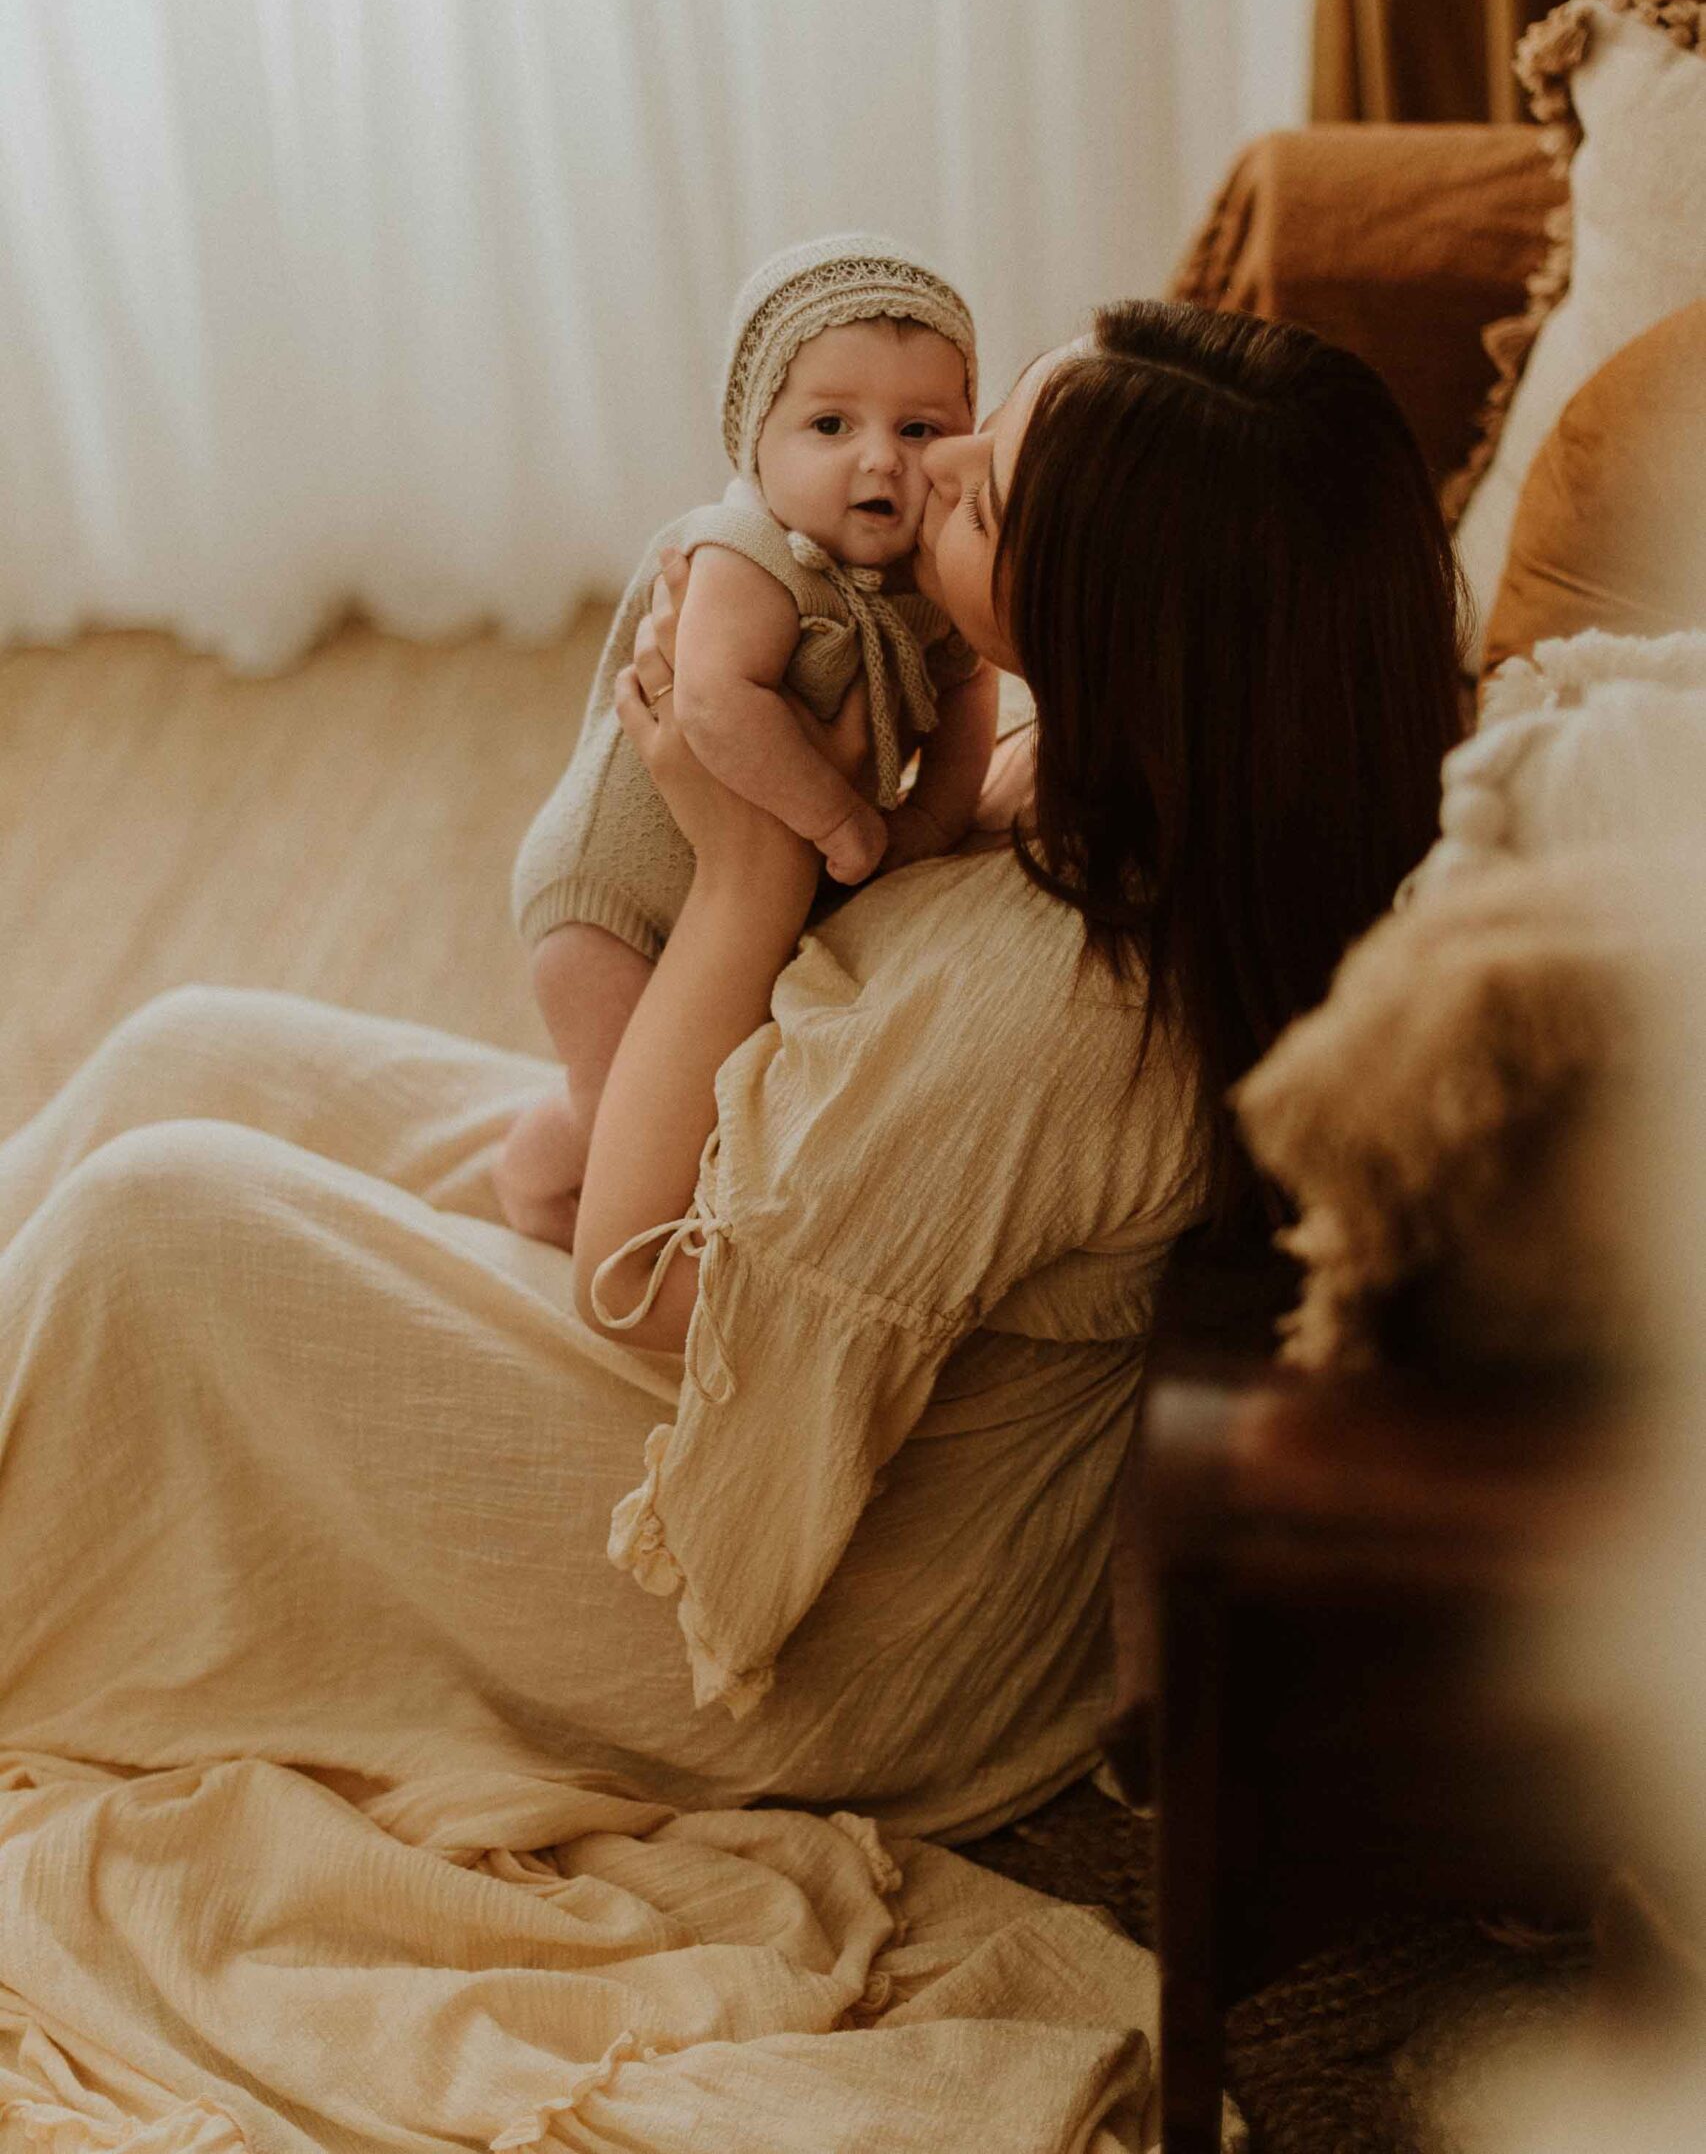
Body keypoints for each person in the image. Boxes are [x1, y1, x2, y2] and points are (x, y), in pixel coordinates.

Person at [0, 301, 1463, 2147]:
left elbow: (642, 1290)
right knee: (188, 1052)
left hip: (828, 1614)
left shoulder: (1048, 1012)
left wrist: (750, 866)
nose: (913, 471)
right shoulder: (1127, 776)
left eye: (974, 490)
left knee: (158, 1232)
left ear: (1112, 621)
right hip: (801, 1319)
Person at [496, 234, 997, 1247]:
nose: (877, 457)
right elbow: (715, 706)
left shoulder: (919, 586)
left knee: (707, 1097)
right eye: (828, 422)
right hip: (607, 901)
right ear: (753, 441)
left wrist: (929, 830)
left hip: (723, 897)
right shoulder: (743, 555)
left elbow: (967, 710)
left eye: (917, 426)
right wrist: (847, 823)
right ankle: (529, 1180)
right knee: (618, 1112)